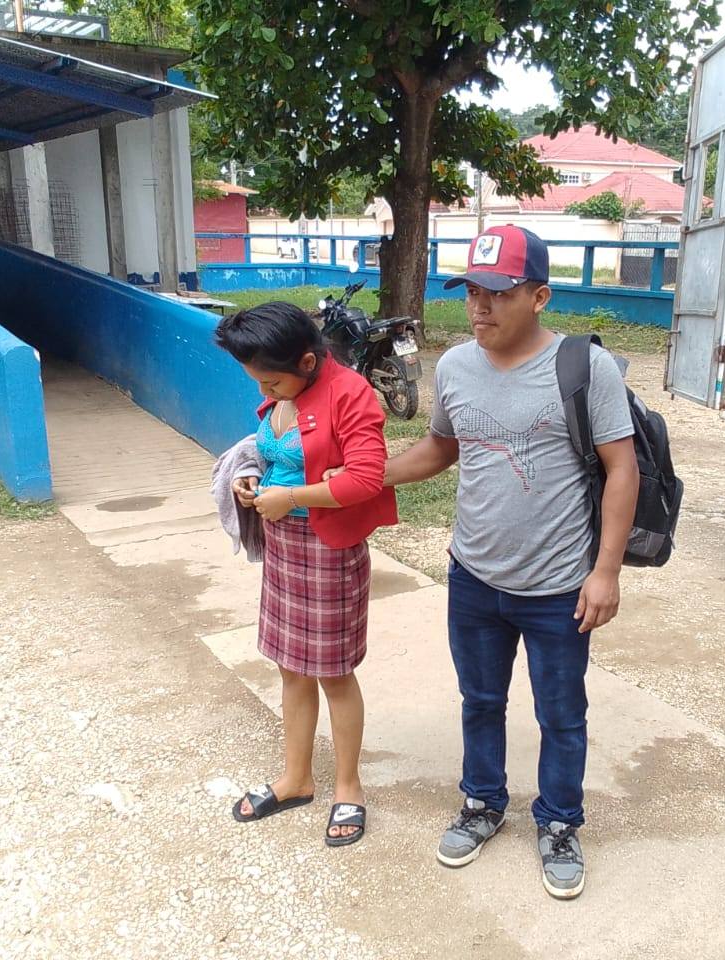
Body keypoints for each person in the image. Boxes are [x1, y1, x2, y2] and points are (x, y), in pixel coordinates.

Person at [374, 225, 639, 897]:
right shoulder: (455, 366)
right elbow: (441, 448)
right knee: (480, 700)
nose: (479, 307)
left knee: (561, 715)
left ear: (539, 296)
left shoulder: (585, 369)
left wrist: (606, 571)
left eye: (497, 292)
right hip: (473, 577)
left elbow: (622, 468)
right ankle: (483, 802)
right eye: (471, 291)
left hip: (558, 586)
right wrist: (369, 475)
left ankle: (559, 822)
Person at [214, 301, 397, 847]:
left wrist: (290, 497)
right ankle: (296, 778)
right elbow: (273, 454)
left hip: (328, 551)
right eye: (259, 383)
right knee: (291, 668)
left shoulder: (350, 394)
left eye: (272, 381)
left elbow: (366, 478)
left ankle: (348, 787)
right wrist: (252, 478)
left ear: (309, 362)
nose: (265, 391)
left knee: (334, 674)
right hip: (284, 549)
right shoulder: (284, 391)